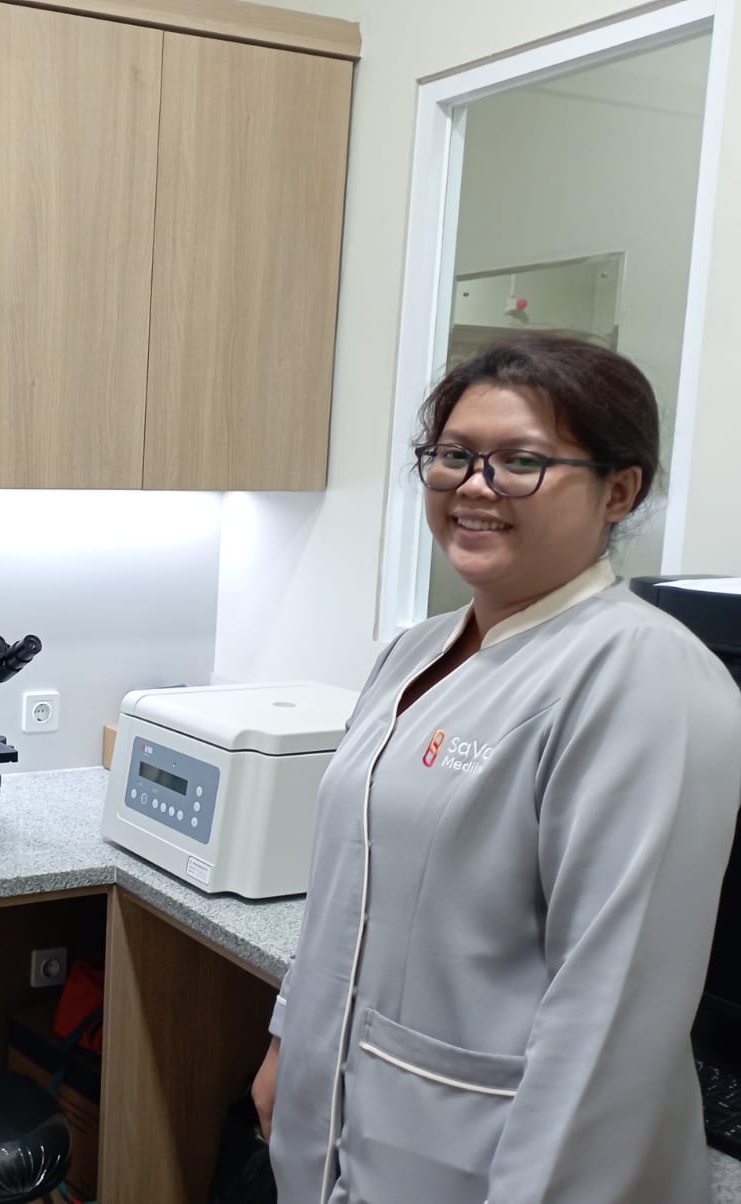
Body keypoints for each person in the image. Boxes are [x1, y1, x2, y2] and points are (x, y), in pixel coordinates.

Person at [251, 333, 741, 1203]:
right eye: (453, 456)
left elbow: (613, 1016)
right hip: (349, 1119)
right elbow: (345, 893)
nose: (474, 488)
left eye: (521, 462)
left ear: (619, 491)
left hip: (498, 1157)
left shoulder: (644, 678)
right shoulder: (415, 652)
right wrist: (291, 1040)